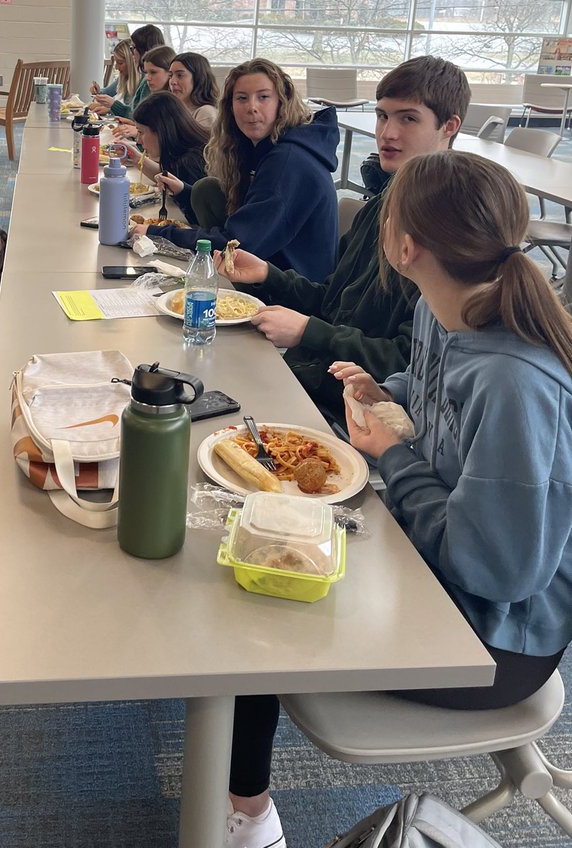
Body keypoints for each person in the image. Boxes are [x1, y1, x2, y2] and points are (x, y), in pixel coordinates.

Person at [224, 151, 572, 848]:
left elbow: (495, 570)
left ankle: (247, 817)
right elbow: (430, 392)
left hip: (491, 644)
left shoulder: (515, 383)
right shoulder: (444, 311)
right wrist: (387, 397)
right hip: (437, 576)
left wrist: (394, 456)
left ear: (404, 245)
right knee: (258, 536)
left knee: (252, 616)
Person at [216, 56, 470, 426]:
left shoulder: (449, 230)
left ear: (449, 126)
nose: (388, 133)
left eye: (408, 118)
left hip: (351, 415)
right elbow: (333, 300)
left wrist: (308, 331)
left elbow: (409, 363)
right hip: (309, 380)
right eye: (383, 116)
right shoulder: (381, 206)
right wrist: (268, 275)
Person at [133, 59, 339, 283]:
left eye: (264, 97)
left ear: (282, 102)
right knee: (207, 188)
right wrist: (184, 193)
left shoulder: (288, 162)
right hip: (272, 267)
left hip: (291, 291)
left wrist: (157, 233)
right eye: (242, 98)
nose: (251, 107)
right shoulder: (262, 150)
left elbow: (237, 243)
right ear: (230, 106)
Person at [117, 91, 208, 223]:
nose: (138, 141)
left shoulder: (192, 162)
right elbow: (168, 178)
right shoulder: (182, 154)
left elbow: (198, 219)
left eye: (141, 132)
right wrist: (137, 159)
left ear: (161, 130)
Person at [91, 25, 166, 113]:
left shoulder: (146, 81)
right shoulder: (139, 79)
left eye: (133, 48)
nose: (133, 53)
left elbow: (138, 116)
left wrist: (113, 106)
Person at [168, 51, 219, 131]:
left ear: (198, 78)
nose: (172, 81)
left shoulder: (205, 112)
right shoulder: (174, 111)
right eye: (170, 76)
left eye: (180, 75)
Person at [89, 38, 138, 115]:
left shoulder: (143, 83)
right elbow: (108, 92)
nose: (116, 67)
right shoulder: (124, 78)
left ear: (132, 62)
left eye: (120, 63)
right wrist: (97, 91)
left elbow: (133, 114)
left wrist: (110, 108)